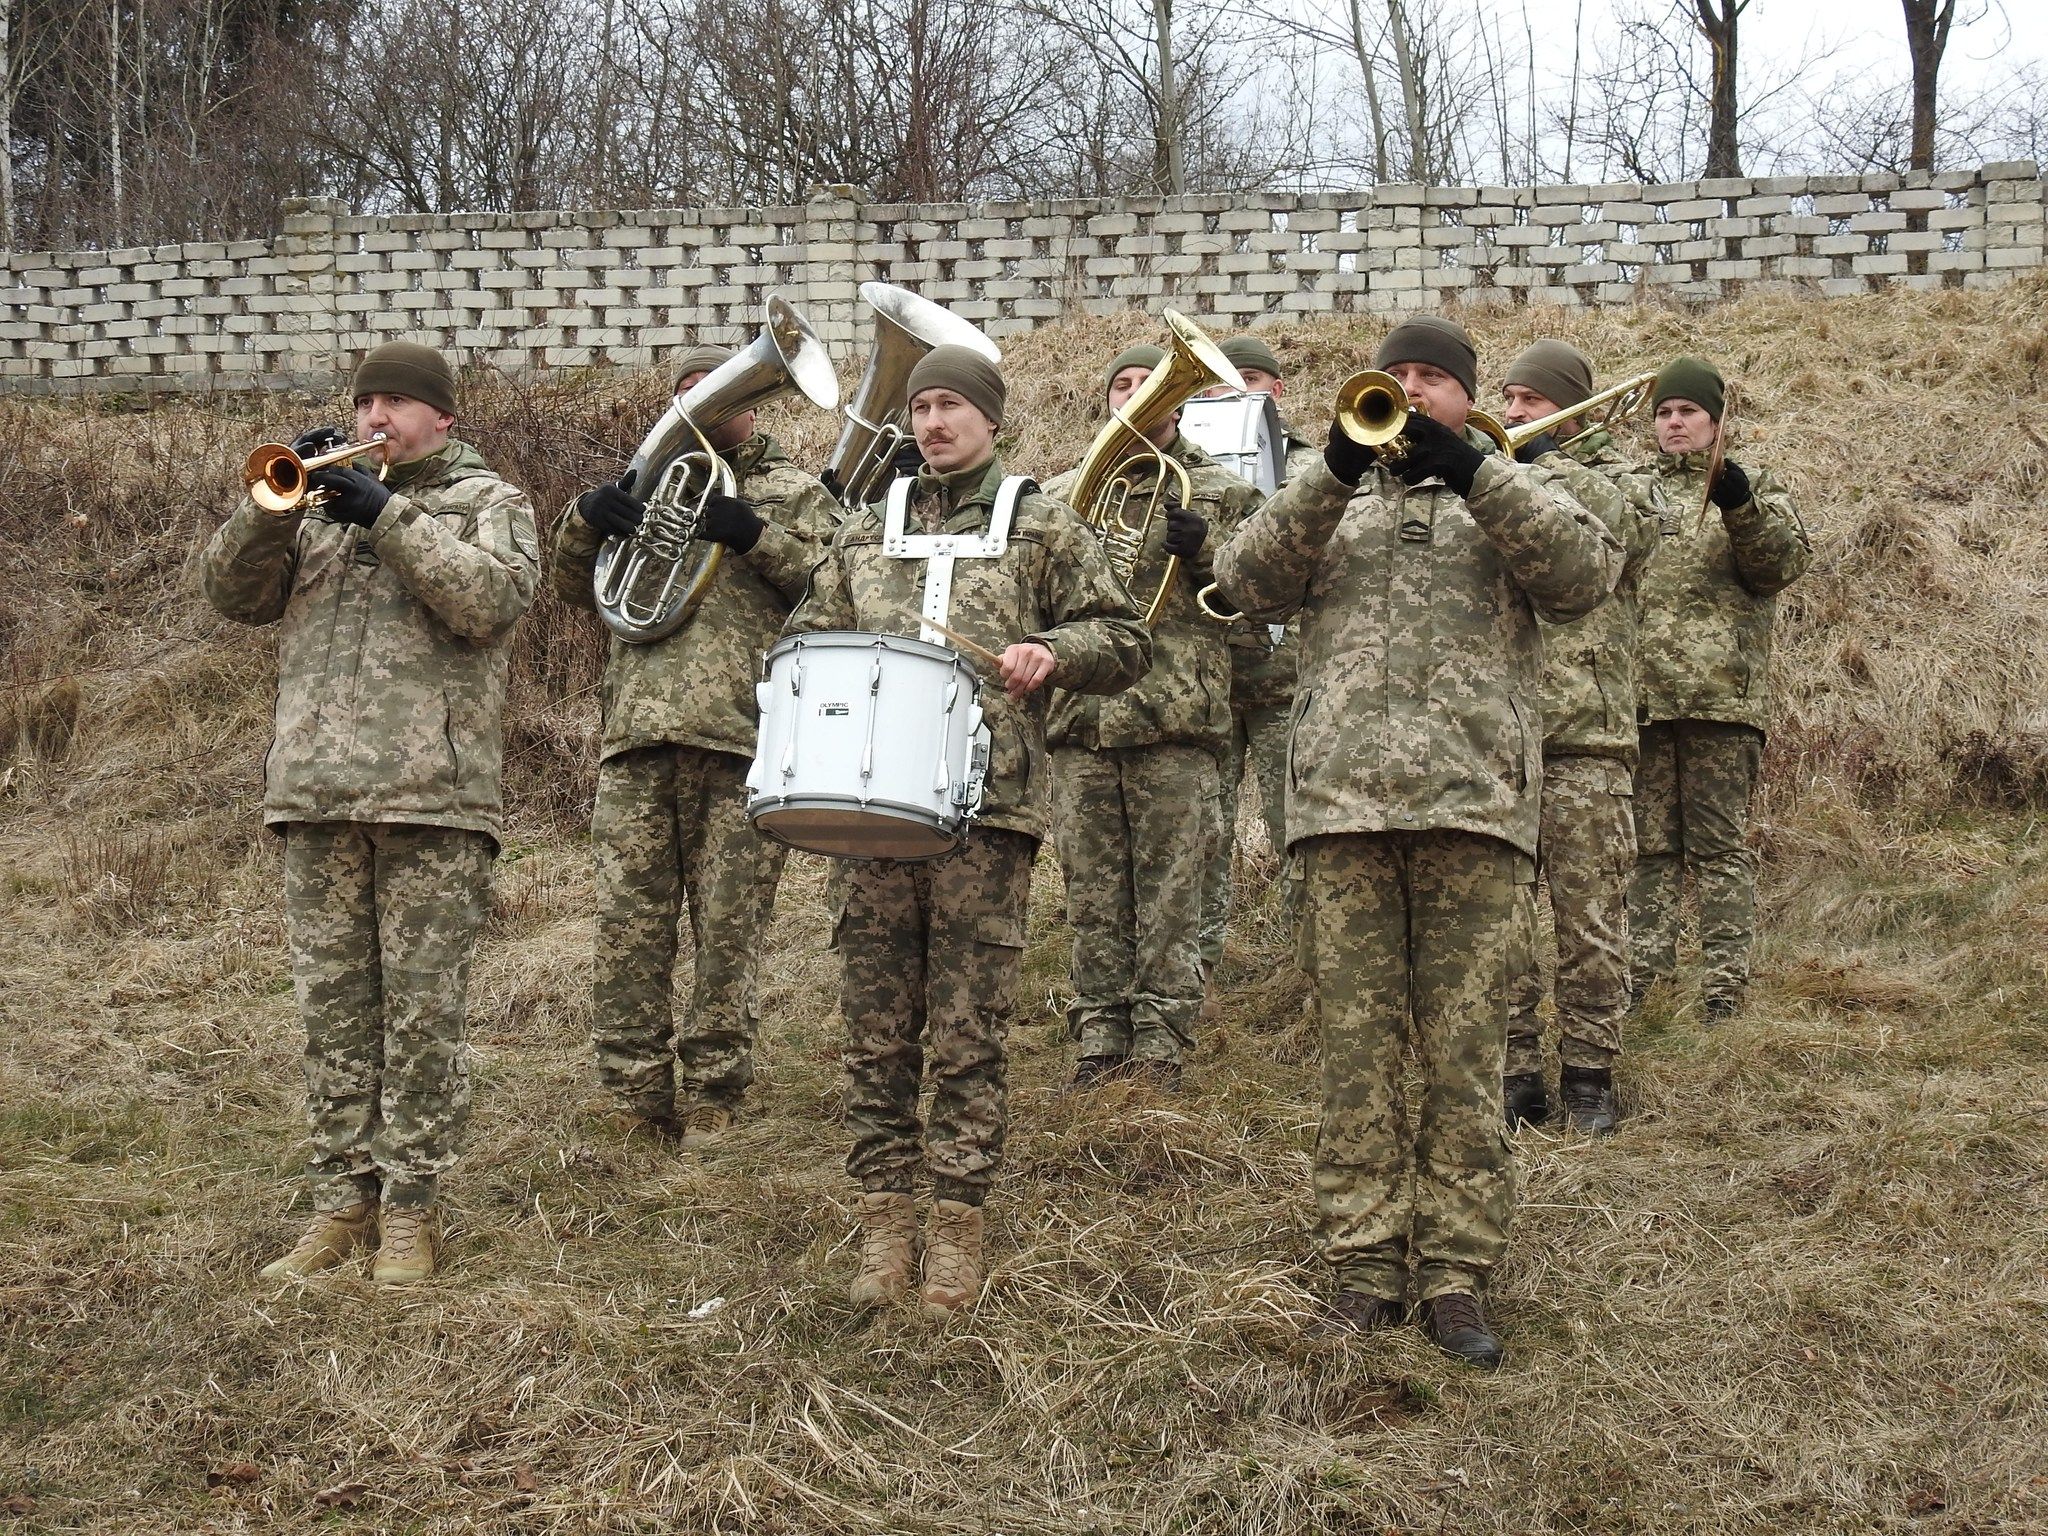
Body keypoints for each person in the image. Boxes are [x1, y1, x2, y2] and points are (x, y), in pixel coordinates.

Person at [1212, 315, 1622, 1367]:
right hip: (1341, 809)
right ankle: (1360, 1266)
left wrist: (1479, 472)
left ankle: (1452, 1275)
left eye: (1430, 378)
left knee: (1464, 1055)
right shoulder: (1320, 485)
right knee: (1355, 1055)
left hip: (1473, 807)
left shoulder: (1512, 485)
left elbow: (1581, 580)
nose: (1408, 389)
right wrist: (1331, 474)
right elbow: (1243, 582)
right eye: (1392, 375)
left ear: (1465, 396)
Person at [784, 346, 1151, 1315]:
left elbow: (1123, 639)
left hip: (986, 813)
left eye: (950, 405)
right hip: (865, 813)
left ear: (991, 418)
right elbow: (803, 638)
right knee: (873, 1028)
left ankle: (955, 1219)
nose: (932, 423)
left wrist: (1052, 651)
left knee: (967, 1026)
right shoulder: (867, 527)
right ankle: (882, 1216)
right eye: (921, 407)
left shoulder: (1039, 524)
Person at [201, 341, 539, 1286]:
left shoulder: (489, 505)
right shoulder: (316, 505)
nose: (374, 419)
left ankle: (412, 1210)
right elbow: (229, 596)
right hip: (316, 793)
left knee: (423, 1013)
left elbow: (491, 601)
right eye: (364, 404)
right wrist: (268, 511)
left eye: (396, 403)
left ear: (444, 419)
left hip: (433, 797)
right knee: (334, 1013)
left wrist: (390, 517)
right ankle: (339, 1202)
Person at [553, 345, 843, 1146]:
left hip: (746, 739)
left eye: (722, 393)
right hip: (639, 735)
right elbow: (573, 589)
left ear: (757, 403)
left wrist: (755, 536)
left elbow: (837, 594)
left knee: (729, 928)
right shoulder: (643, 484)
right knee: (627, 926)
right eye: (687, 395)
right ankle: (631, 1091)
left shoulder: (795, 492)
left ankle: (716, 1089)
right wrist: (584, 523)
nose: (704, 408)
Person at [1043, 342, 1262, 1087]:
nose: (1135, 397)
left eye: (1150, 385)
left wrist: (1210, 554)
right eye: (1123, 385)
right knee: (1093, 891)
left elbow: (1263, 607)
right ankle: (1098, 1037)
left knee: (1173, 892)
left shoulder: (1224, 493)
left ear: (1181, 400)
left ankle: (1162, 1041)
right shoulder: (1061, 494)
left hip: (1175, 719)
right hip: (1083, 720)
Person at [1496, 342, 1662, 1134]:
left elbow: (1634, 532)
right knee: (1502, 921)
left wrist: (1536, 465)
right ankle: (1516, 1067)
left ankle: (1590, 1073)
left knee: (1590, 917)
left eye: (1531, 400)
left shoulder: (1618, 481)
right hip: (1499, 734)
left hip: (1586, 736)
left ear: (1572, 407)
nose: (1516, 413)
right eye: (1508, 398)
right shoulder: (1494, 475)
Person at [1631, 356, 1810, 1020]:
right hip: (1643, 703)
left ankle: (1724, 990)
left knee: (1717, 850)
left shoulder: (1755, 487)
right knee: (1648, 852)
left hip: (1720, 701)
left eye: (1688, 412)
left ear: (1716, 421)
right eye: (1664, 413)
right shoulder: (1633, 489)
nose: (1674, 424)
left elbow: (1779, 568)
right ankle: (1643, 984)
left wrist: (1740, 507)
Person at [1196, 335, 1316, 981]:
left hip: (1282, 677)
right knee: (1202, 834)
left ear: (1276, 390)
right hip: (1209, 678)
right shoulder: (1191, 464)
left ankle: (1309, 968)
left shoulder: (1311, 467)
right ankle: (1196, 972)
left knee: (1292, 825)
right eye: (1219, 381)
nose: (1232, 391)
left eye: (1247, 378)